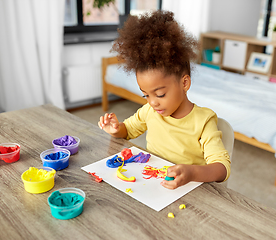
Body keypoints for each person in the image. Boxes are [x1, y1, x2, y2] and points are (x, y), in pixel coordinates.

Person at [98, 10, 230, 190]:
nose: (152, 102)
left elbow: (221, 169)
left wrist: (191, 173)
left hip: (190, 191)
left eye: (160, 94)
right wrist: (115, 129)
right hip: (153, 184)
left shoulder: (204, 121)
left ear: (184, 83)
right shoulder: (149, 112)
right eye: (146, 95)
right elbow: (127, 130)